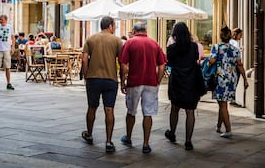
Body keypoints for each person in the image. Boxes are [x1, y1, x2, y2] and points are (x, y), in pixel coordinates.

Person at [118, 21, 167, 154]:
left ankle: (128, 137)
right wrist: (158, 79)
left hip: (134, 82)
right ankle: (146, 143)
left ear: (134, 31)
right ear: (146, 31)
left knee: (131, 111)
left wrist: (123, 81)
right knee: (148, 113)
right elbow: (162, 65)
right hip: (151, 82)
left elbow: (123, 64)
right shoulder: (154, 43)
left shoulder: (130, 42)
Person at [81, 16, 123, 153]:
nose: (115, 28)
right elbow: (122, 63)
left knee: (92, 107)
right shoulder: (117, 41)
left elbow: (84, 60)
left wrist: (86, 76)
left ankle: (89, 134)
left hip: (93, 78)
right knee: (109, 110)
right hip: (111, 79)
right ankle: (109, 141)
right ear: (110, 26)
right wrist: (122, 79)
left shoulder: (90, 39)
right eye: (114, 25)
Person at [165, 22, 203, 151]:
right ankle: (188, 141)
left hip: (177, 80)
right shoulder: (194, 47)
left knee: (174, 108)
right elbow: (196, 59)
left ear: (175, 34)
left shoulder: (171, 48)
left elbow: (169, 61)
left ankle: (172, 133)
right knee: (190, 111)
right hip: (191, 80)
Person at [209, 26, 249, 138]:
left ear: (221, 36)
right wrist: (245, 79)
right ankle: (218, 126)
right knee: (223, 103)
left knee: (222, 105)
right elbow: (240, 65)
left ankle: (228, 129)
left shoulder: (216, 47)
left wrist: (208, 63)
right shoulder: (235, 49)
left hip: (220, 79)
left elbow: (211, 61)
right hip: (231, 79)